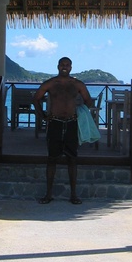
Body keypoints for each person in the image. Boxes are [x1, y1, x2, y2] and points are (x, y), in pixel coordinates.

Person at [33, 56, 93, 205]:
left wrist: (81, 112)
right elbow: (36, 98)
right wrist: (43, 115)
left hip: (71, 123)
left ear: (71, 67)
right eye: (62, 65)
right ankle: (48, 194)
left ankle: (73, 194)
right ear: (58, 66)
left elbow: (88, 100)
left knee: (72, 159)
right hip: (55, 123)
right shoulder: (51, 83)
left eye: (67, 65)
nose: (65, 67)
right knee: (52, 158)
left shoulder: (77, 84)